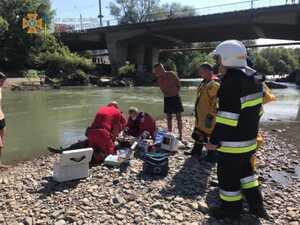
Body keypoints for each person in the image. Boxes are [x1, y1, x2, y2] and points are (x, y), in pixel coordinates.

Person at [206, 40, 269, 220]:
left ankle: (231, 210)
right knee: (247, 175)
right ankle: (257, 206)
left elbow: (227, 119)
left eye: (219, 59)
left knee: (228, 178)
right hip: (249, 142)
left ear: (227, 59)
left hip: (232, 145)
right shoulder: (255, 79)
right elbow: (258, 111)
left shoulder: (230, 84)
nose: (218, 64)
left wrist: (213, 142)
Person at [49, 101, 126, 164]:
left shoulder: (102, 108)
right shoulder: (117, 112)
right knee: (110, 153)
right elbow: (116, 130)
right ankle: (95, 159)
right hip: (102, 133)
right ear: (117, 107)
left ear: (108, 105)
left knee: (88, 146)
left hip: (91, 132)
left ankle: (64, 151)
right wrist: (113, 139)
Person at [187, 63, 220, 162]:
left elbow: (216, 101)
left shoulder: (214, 84)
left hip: (209, 115)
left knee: (209, 134)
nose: (200, 74)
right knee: (199, 131)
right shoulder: (205, 82)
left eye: (202, 72)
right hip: (201, 114)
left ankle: (211, 155)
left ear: (209, 71)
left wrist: (213, 114)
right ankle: (196, 151)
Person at [153, 63, 184, 140]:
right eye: (156, 71)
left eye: (160, 69)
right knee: (169, 117)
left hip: (175, 97)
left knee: (178, 117)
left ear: (162, 68)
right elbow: (162, 89)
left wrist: (175, 92)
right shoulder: (159, 79)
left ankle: (180, 135)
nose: (158, 71)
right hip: (167, 99)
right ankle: (170, 133)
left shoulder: (171, 74)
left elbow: (179, 84)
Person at [0, 72, 7, 168]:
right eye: (1, 81)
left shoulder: (0, 89)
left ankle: (0, 164)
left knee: (2, 143)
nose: (2, 84)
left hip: (1, 118)